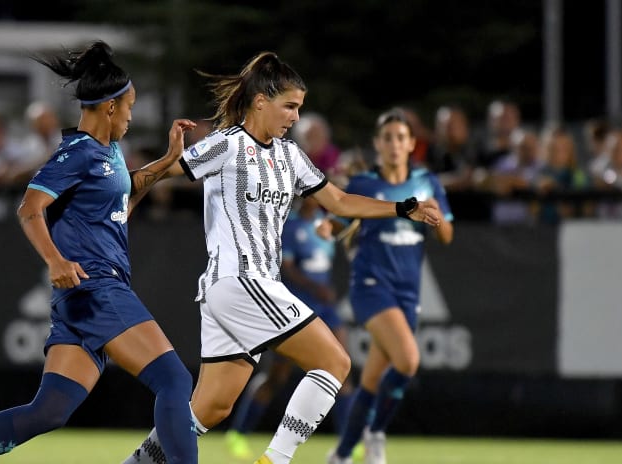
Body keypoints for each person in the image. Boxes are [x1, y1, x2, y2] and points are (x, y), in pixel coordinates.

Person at [122, 51, 441, 464]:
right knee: (334, 361)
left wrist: (402, 207)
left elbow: (339, 201)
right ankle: (275, 460)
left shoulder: (289, 156)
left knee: (210, 409)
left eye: (299, 107)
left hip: (235, 292)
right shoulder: (229, 144)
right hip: (240, 281)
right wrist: (121, 201)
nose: (294, 116)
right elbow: (163, 171)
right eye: (289, 106)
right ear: (260, 102)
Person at [0, 40, 199, 464]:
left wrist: (168, 163)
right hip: (96, 286)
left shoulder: (108, 151)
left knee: (50, 410)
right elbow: (29, 208)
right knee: (173, 380)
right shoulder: (76, 152)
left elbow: (121, 200)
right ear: (110, 107)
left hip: (80, 296)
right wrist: (55, 260)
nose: (133, 115)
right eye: (130, 106)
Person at [324, 109, 454, 464]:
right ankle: (377, 434)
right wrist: (328, 228)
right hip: (371, 286)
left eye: (401, 137)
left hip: (407, 291)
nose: (395, 144)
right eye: (388, 138)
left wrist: (435, 215)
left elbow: (446, 236)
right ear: (377, 144)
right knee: (409, 360)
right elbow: (339, 221)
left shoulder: (427, 182)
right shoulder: (364, 184)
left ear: (412, 143)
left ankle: (341, 453)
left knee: (370, 382)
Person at [224, 195, 355, 460]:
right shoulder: (290, 226)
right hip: (298, 308)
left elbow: (351, 223)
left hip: (326, 308)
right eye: (309, 194)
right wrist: (316, 287)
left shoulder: (325, 223)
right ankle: (239, 432)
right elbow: (287, 267)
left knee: (343, 370)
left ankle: (347, 443)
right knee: (277, 376)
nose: (314, 199)